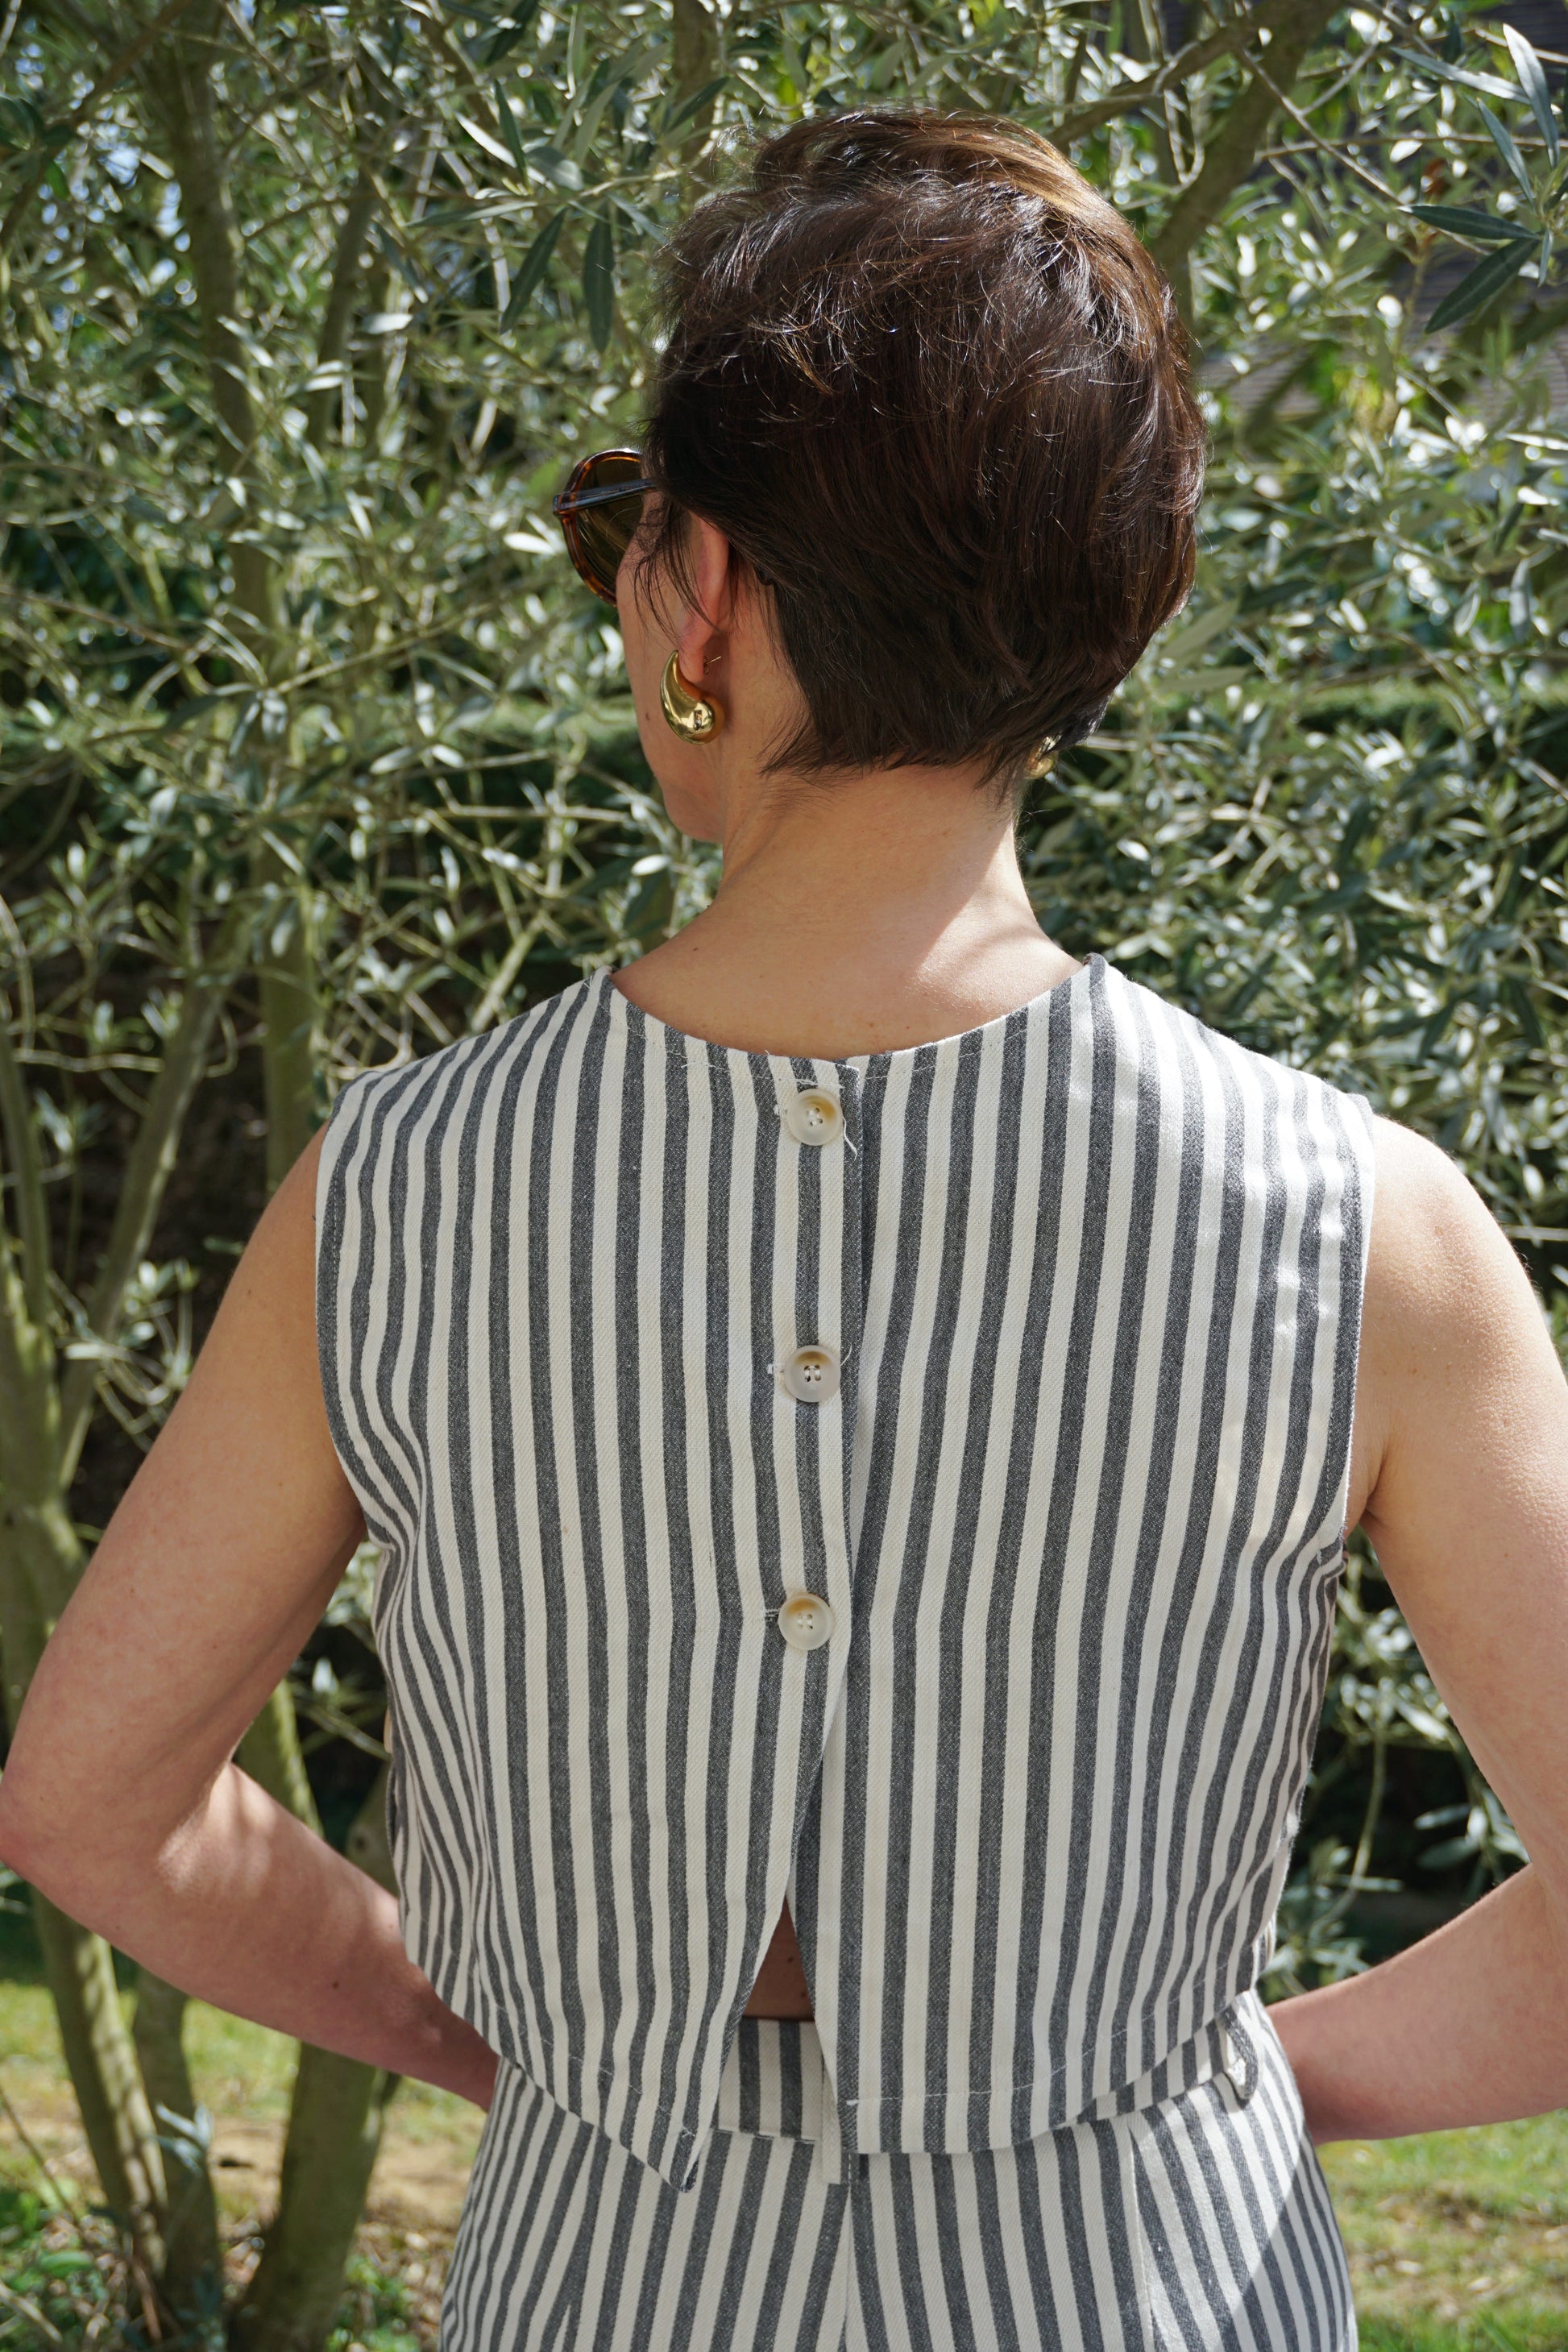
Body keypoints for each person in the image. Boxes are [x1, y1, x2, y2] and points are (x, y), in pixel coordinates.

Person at [4, 106, 1568, 2352]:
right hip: (1146, 2270)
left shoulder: (399, 1189)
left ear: (706, 592)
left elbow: (91, 1804)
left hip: (602, 2261)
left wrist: (528, 2066)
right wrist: (1214, 2088)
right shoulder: (1361, 1226)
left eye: (628, 539)